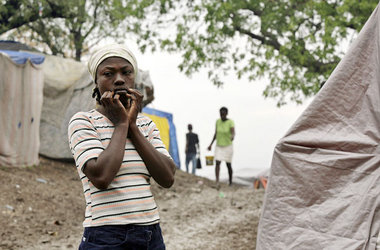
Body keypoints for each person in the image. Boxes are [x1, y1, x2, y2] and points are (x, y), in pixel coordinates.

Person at [67, 44, 176, 249]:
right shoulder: (83, 122)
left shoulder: (145, 124)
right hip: (105, 236)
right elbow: (101, 177)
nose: (119, 79)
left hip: (151, 234)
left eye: (126, 72)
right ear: (96, 82)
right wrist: (121, 125)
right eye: (108, 73)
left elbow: (167, 177)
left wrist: (132, 126)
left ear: (134, 78)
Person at [207, 107, 235, 186]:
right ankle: (217, 181)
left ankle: (230, 181)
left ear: (226, 114)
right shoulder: (218, 121)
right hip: (219, 146)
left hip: (228, 146)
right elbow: (215, 134)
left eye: (223, 114)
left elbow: (233, 132)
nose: (222, 115)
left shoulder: (230, 122)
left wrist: (232, 136)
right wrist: (211, 144)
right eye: (220, 114)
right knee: (217, 162)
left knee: (228, 164)